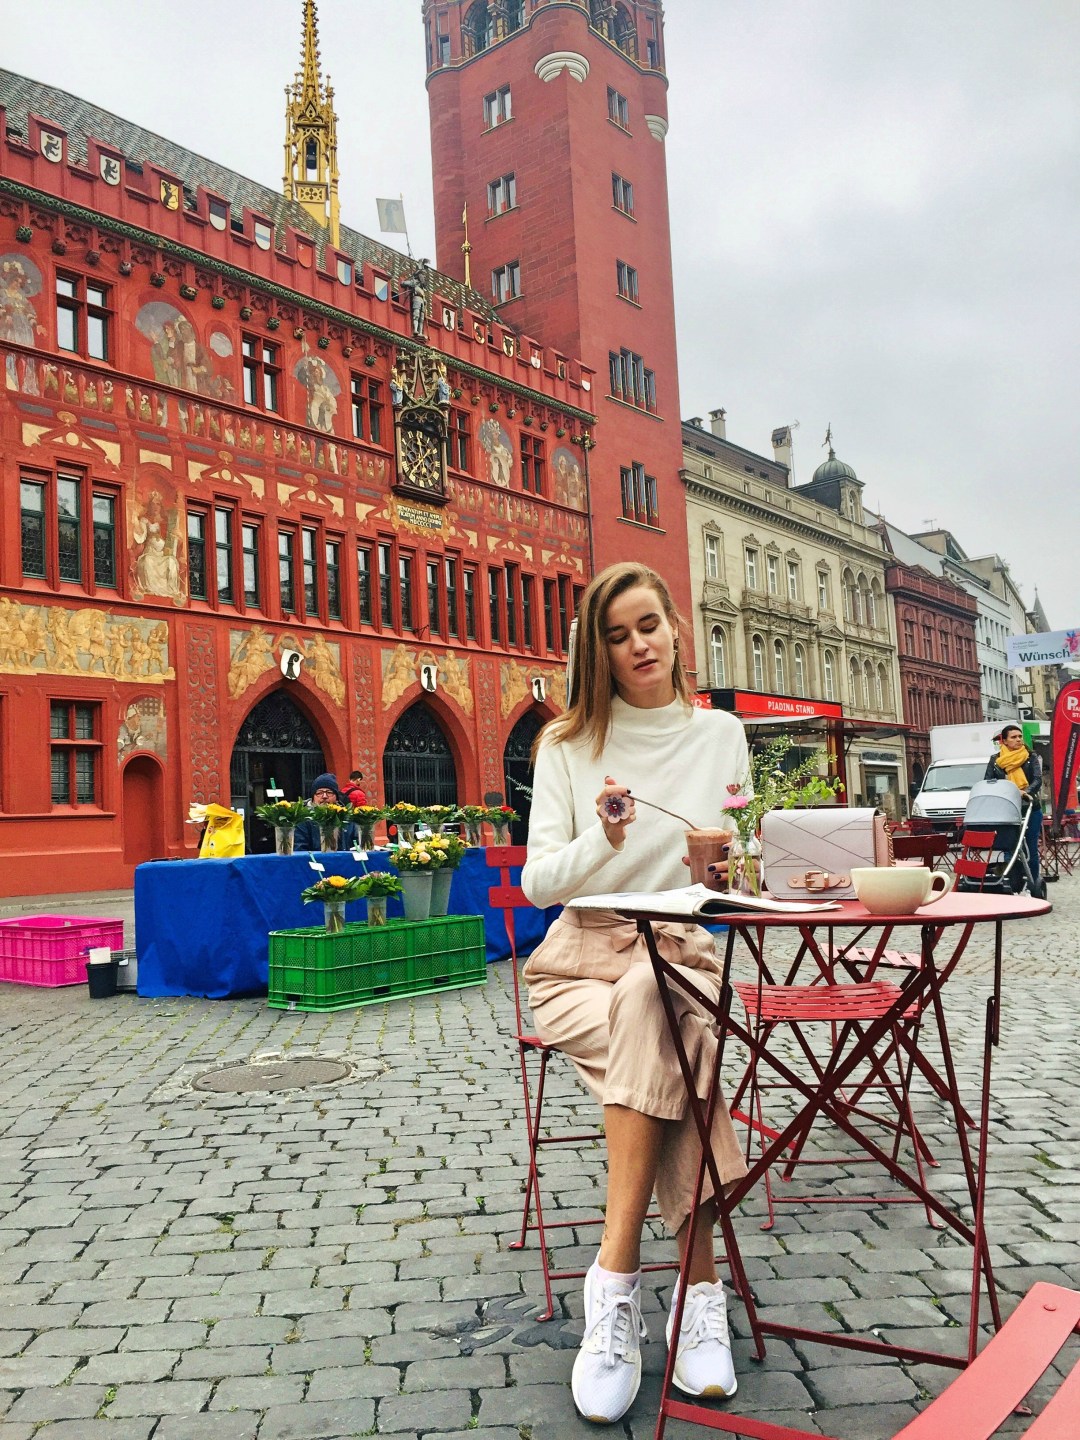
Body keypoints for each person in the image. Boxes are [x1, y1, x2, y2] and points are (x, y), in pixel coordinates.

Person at [521, 561, 750, 1425]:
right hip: (581, 959)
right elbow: (540, 885)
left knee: (653, 1001)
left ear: (675, 629)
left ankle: (613, 1282)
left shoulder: (721, 735)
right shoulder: (566, 743)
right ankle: (699, 1291)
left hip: (681, 955)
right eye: (617, 636)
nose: (638, 646)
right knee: (660, 1028)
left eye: (648, 625)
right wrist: (602, 840)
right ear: (599, 651)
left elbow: (739, 868)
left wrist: (726, 870)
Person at [984, 723, 1042, 889]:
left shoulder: (1030, 756)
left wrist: (1025, 792)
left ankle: (1033, 883)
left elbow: (1037, 779)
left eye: (1020, 736)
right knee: (1010, 846)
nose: (1018, 739)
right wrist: (1003, 791)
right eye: (1014, 737)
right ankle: (1012, 881)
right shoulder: (996, 760)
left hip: (1029, 807)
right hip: (1006, 808)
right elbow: (988, 781)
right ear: (1004, 741)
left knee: (1030, 847)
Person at [293, 774, 359, 852]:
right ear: (313, 798)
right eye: (319, 793)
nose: (324, 796)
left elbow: (358, 845)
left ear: (337, 798)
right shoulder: (303, 819)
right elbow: (299, 849)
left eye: (329, 792)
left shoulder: (347, 818)